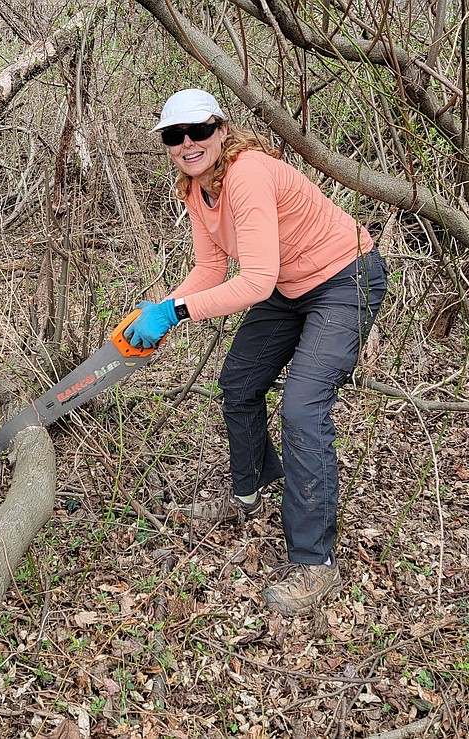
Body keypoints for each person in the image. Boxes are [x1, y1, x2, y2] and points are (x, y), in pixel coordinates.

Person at [125, 88, 388, 616]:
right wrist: (162, 308)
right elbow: (210, 270)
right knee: (239, 384)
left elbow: (256, 279)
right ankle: (249, 492)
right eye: (175, 136)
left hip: (344, 278)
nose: (188, 143)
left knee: (302, 407)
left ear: (221, 130)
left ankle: (315, 563)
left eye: (199, 131)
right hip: (286, 289)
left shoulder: (246, 173)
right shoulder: (196, 190)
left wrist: (176, 314)